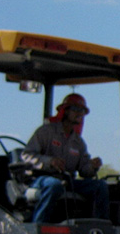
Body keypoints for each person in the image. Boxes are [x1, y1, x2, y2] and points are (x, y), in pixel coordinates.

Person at [22, 93, 109, 223]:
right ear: (65, 111)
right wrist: (50, 161)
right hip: (41, 178)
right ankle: (39, 226)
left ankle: (99, 226)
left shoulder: (78, 142)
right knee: (53, 185)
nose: (79, 114)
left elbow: (84, 171)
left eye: (82, 111)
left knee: (100, 186)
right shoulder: (46, 132)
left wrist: (92, 166)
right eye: (76, 109)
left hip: (67, 181)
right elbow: (27, 155)